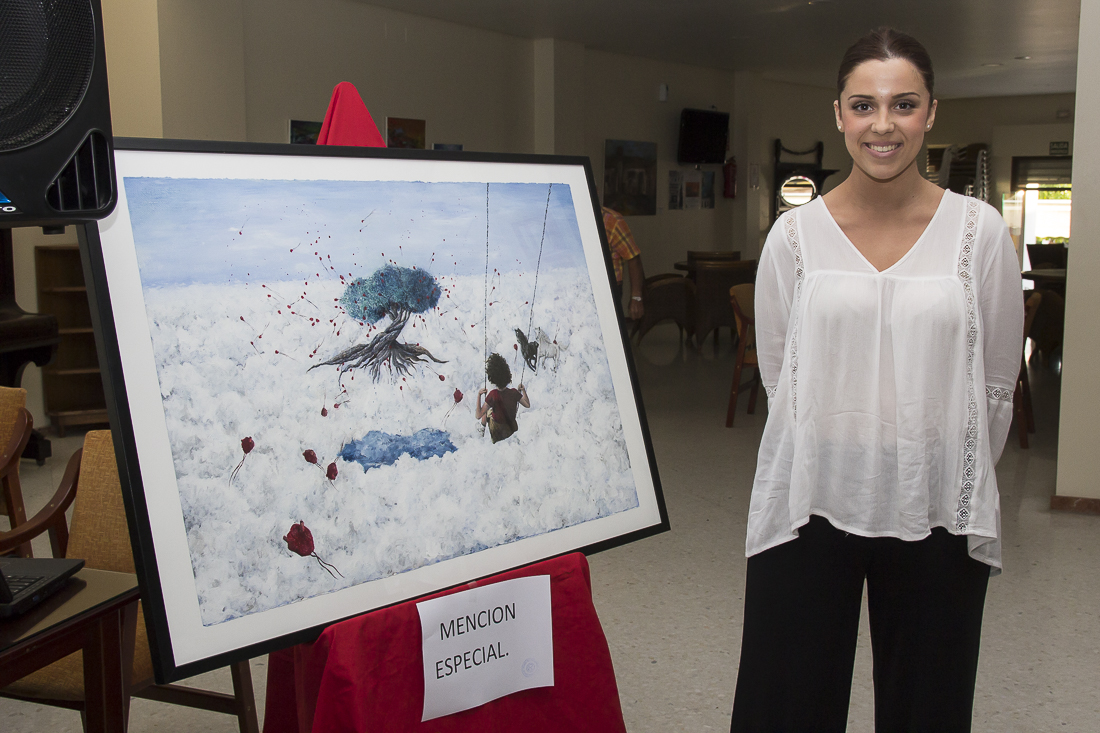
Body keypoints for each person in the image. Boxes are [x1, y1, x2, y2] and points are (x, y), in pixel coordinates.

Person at [729, 28, 1023, 733]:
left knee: (930, 701)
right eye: (864, 105)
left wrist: (951, 469)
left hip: (937, 505)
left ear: (930, 112)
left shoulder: (978, 233)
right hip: (813, 496)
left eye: (903, 104)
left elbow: (995, 385)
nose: (882, 125)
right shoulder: (794, 238)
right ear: (838, 114)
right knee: (787, 698)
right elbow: (780, 373)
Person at [601, 206, 645, 320]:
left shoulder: (612, 219)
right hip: (582, 284)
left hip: (609, 288)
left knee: (607, 328)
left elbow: (633, 257)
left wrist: (636, 297)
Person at [475, 352, 530, 444]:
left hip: (498, 431)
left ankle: (482, 429)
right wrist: (523, 390)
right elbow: (527, 405)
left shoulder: (493, 395)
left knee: (486, 411)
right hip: (512, 428)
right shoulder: (514, 392)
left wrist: (479, 395)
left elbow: (478, 415)